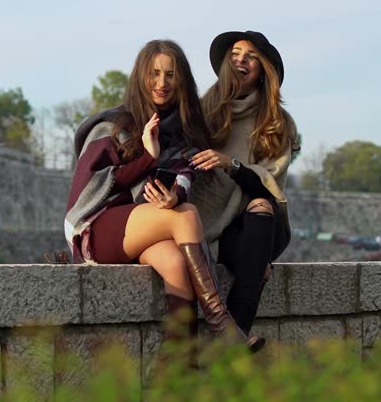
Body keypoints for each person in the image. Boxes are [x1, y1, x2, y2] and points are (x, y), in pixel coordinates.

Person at [64, 39, 264, 354]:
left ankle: (179, 371)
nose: (162, 83)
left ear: (181, 80)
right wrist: (147, 156)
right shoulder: (113, 126)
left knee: (175, 263)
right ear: (141, 76)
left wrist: (172, 196)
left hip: (141, 228)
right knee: (186, 214)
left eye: (170, 75)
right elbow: (91, 188)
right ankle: (220, 321)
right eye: (154, 73)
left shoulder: (184, 130)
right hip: (97, 227)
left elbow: (184, 176)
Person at [189, 31, 300, 335]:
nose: (241, 60)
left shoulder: (277, 123)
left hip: (255, 228)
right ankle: (235, 343)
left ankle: (232, 335)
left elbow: (269, 190)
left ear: (262, 68)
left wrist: (232, 165)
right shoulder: (201, 111)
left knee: (261, 208)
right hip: (205, 226)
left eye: (251, 55)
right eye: (235, 53)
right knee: (257, 267)